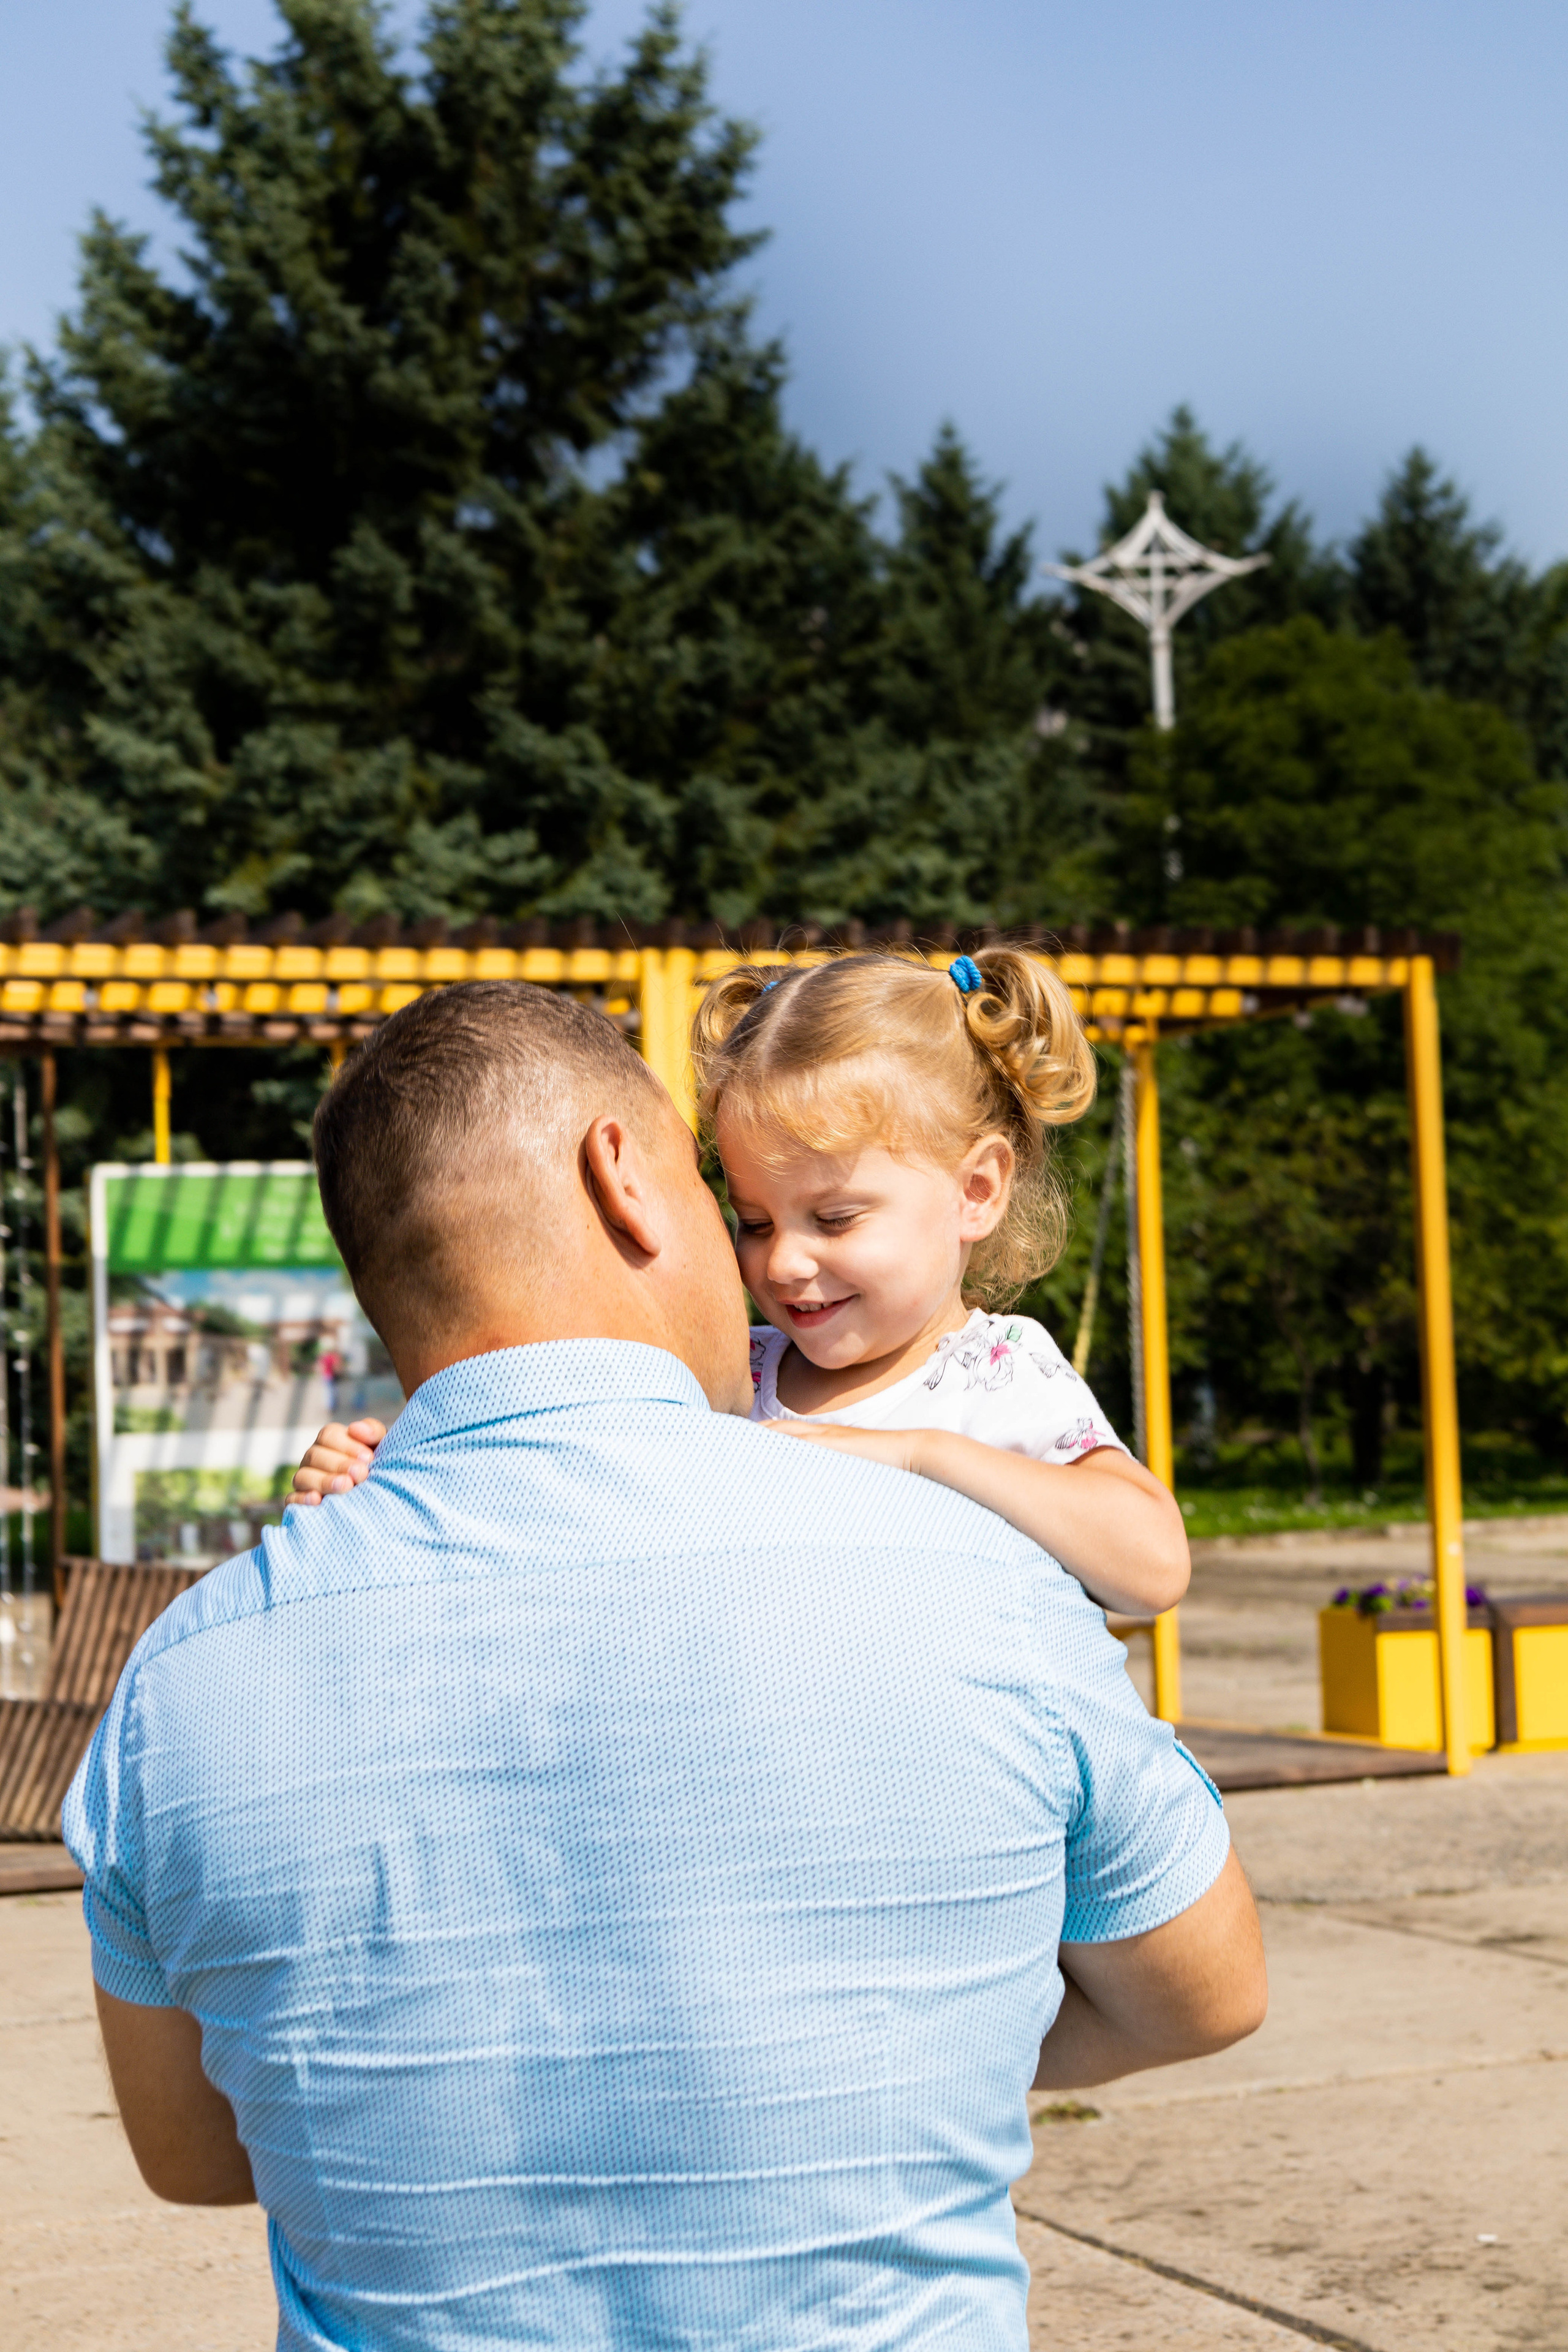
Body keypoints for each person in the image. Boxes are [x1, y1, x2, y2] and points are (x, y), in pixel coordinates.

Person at [66, 980, 1266, 2352]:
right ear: (625, 1179)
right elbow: (1208, 1989)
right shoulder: (975, 1580)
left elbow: (197, 2155)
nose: (771, 1267)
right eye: (735, 1211)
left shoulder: (184, 1684)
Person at [298, 948, 1187, 1621]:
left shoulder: (995, 1376)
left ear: (977, 1191)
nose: (784, 1263)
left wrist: (926, 1455)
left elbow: (1152, 1567)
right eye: (754, 1222)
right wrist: (387, 1476)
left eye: (834, 1219)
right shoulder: (733, 1378)